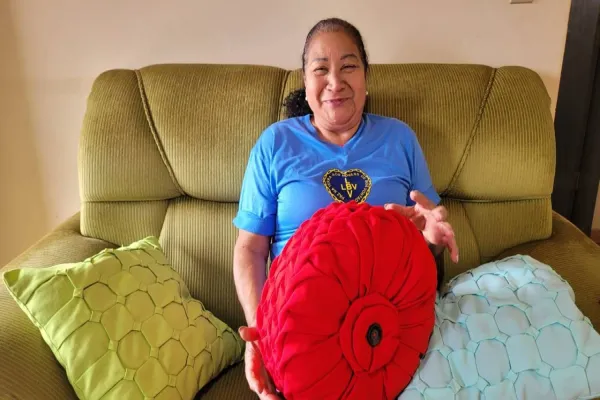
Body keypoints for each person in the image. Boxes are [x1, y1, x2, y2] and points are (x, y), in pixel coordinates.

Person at [232, 17, 459, 399]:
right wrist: (262, 334)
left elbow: (425, 241)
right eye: (321, 69)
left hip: (391, 325)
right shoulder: (275, 144)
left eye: (348, 66)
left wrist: (433, 239)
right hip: (303, 330)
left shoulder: (399, 138)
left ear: (366, 78)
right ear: (306, 83)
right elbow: (250, 249)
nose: (335, 82)